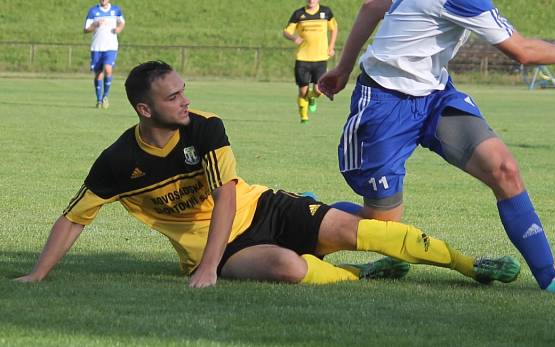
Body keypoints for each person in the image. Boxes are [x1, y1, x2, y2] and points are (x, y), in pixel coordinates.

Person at [15, 61, 520, 288]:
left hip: (262, 207)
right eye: (173, 98)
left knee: (361, 229)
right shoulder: (117, 162)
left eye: (184, 90)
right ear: (145, 111)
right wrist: (38, 275)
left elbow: (228, 199)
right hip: (226, 249)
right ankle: (357, 274)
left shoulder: (206, 129)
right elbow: (74, 218)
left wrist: (208, 271)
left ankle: (471, 265)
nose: (186, 101)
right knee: (287, 269)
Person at [318, 0, 555, 295]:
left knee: (504, 168)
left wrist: (342, 69)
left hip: (435, 97)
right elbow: (521, 51)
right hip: (385, 103)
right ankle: (307, 213)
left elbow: (372, 6)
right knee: (381, 226)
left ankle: (550, 279)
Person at [283, 0, 338, 123]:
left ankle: (313, 98)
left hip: (320, 58)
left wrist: (331, 47)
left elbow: (334, 29)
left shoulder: (326, 12)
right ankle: (304, 117)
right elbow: (286, 31)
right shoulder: (298, 14)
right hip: (303, 58)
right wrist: (294, 37)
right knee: (302, 92)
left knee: (319, 89)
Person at [84, 0, 125, 109]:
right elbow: (85, 29)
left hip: (111, 46)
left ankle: (106, 96)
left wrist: (118, 29)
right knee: (99, 74)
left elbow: (122, 22)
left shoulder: (115, 10)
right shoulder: (93, 11)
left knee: (108, 69)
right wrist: (95, 25)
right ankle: (99, 99)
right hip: (97, 47)